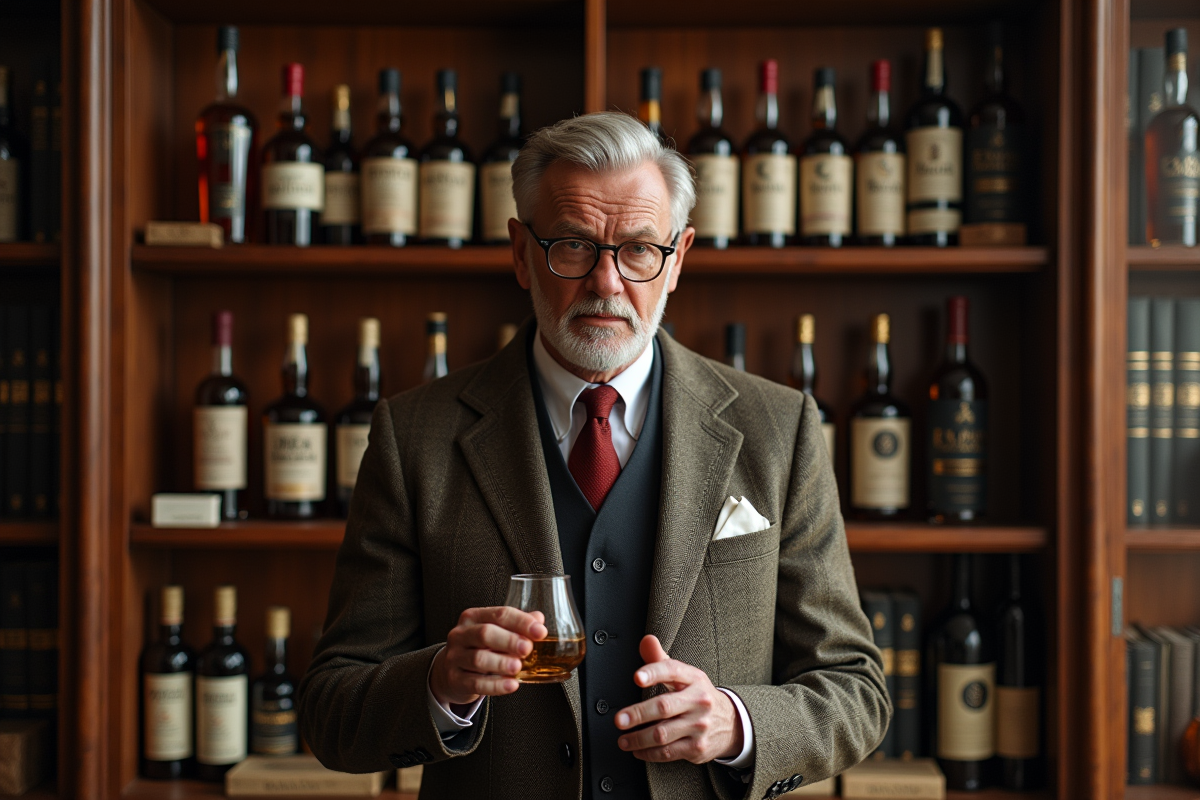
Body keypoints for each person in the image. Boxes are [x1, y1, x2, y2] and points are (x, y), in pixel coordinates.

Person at [299, 112, 889, 800]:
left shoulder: (778, 429)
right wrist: (439, 682)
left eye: (639, 249)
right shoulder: (414, 436)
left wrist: (736, 724)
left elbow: (856, 691)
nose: (607, 283)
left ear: (678, 260)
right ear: (521, 253)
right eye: (574, 246)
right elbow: (330, 712)